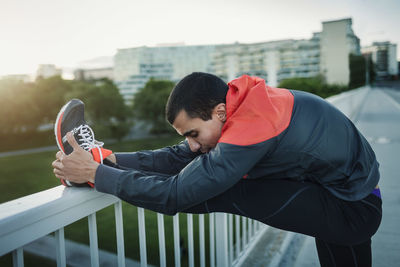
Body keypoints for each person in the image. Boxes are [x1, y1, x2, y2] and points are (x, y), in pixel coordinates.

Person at [52, 72, 382, 267]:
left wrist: (96, 176)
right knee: (204, 168)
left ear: (219, 112)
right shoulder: (243, 104)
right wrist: (107, 159)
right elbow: (179, 156)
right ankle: (96, 155)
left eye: (193, 133)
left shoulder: (252, 127)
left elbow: (176, 195)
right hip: (339, 193)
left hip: (352, 209)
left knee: (225, 187)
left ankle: (87, 172)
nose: (191, 143)